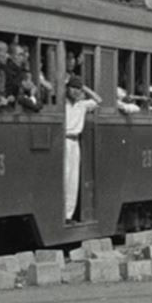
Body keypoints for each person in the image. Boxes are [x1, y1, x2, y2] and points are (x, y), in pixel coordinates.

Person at [63, 76, 102, 224]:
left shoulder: (82, 105)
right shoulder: (63, 103)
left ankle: (68, 215)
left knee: (73, 179)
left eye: (77, 89)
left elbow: (99, 100)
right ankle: (61, 213)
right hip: (64, 139)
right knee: (64, 177)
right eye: (72, 88)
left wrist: (84, 88)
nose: (75, 91)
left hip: (75, 141)